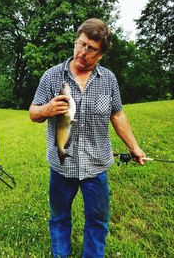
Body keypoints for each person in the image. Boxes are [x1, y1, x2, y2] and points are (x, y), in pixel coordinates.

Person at [29, 18, 146, 258]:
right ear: (76, 41)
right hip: (62, 165)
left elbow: (118, 114)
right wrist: (46, 110)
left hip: (96, 165)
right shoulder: (52, 76)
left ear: (100, 54)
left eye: (91, 49)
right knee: (59, 218)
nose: (82, 52)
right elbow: (33, 112)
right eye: (81, 44)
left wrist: (134, 147)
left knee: (98, 221)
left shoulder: (109, 80)